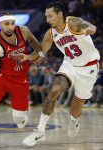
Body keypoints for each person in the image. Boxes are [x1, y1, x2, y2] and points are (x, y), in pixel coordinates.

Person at [21, 2, 100, 146]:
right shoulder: (50, 34)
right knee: (55, 90)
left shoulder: (73, 22)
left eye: (50, 16)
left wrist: (90, 29)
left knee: (78, 103)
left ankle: (74, 122)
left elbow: (90, 26)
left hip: (89, 67)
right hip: (69, 64)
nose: (47, 20)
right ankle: (39, 131)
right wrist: (28, 57)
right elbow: (41, 52)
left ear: (60, 14)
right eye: (46, 16)